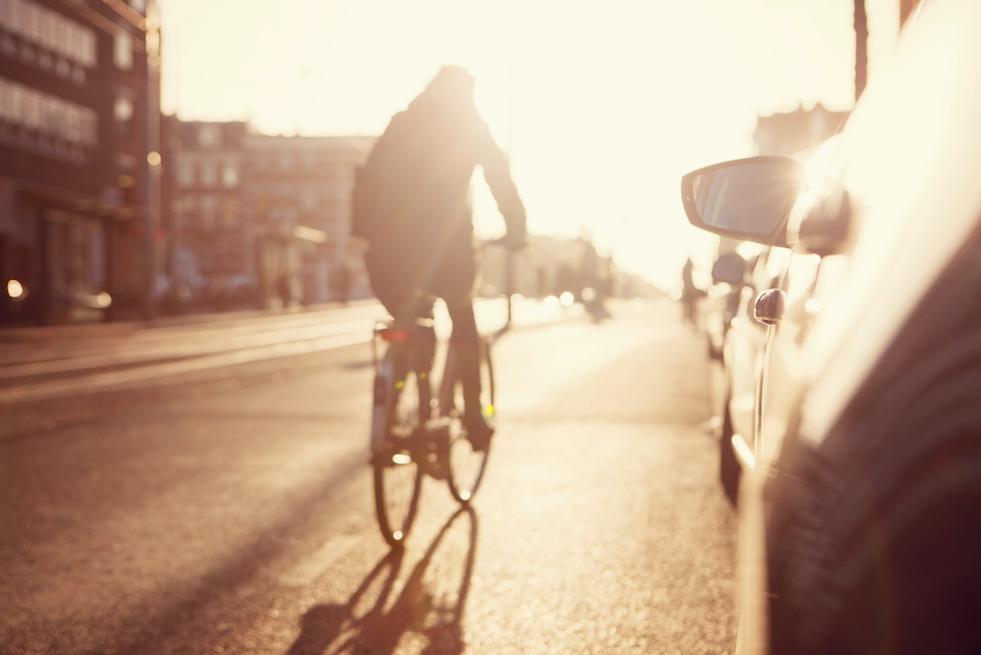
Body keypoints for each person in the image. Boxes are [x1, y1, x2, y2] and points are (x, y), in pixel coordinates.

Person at [353, 66, 527, 447]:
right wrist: (516, 230)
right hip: (446, 252)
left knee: (409, 323)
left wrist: (364, 235)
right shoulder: (470, 127)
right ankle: (473, 415)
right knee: (463, 321)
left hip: (387, 253)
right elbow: (500, 179)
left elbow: (367, 176)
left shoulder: (402, 123)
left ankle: (394, 410)